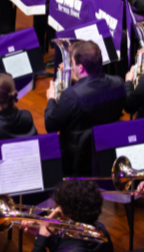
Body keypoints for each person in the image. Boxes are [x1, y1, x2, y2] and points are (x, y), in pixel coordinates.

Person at [45, 40, 126, 178]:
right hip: (106, 151)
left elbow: (50, 125)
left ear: (81, 68)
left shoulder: (71, 96)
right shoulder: (119, 83)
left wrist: (51, 99)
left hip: (76, 159)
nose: (71, 66)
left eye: (72, 64)